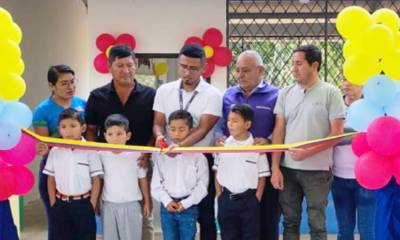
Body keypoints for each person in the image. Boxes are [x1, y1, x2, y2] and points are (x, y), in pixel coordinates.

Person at [270, 45, 346, 240]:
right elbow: (279, 131)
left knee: (317, 223)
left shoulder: (331, 93)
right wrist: (275, 167)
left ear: (314, 65)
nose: (293, 68)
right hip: (287, 169)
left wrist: (308, 152)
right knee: (289, 221)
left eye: (299, 64)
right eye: (292, 63)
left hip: (318, 171)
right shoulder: (285, 93)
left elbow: (336, 134)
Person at [85, 44, 156, 240]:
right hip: (107, 164)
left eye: (130, 65)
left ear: (135, 66)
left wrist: (147, 153)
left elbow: (156, 128)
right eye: (120, 65)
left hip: (140, 162)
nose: (126, 70)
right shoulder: (97, 96)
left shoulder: (151, 95)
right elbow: (90, 130)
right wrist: (98, 155)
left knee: (143, 215)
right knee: (109, 210)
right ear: (109, 67)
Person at [152, 43, 222, 239]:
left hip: (201, 159)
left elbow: (203, 128)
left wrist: (180, 146)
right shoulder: (164, 91)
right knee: (171, 212)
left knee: (206, 216)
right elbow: (158, 123)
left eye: (193, 68)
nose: (187, 72)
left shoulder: (213, 94)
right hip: (168, 158)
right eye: (183, 66)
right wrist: (159, 136)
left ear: (203, 68)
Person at [216, 50, 280, 240]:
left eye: (245, 70)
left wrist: (268, 140)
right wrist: (219, 136)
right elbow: (219, 124)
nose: (240, 75)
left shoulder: (276, 94)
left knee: (267, 222)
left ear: (260, 71)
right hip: (233, 174)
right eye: (237, 70)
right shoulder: (228, 95)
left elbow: (281, 126)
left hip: (264, 168)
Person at [33, 64, 86, 240]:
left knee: (83, 224)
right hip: (54, 173)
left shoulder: (82, 104)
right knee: (58, 224)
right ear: (51, 86)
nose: (70, 87)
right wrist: (41, 147)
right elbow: (45, 145)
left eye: (72, 82)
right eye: (64, 83)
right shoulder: (42, 110)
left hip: (81, 171)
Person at [42, 108, 103, 240]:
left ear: (83, 127)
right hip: (61, 205)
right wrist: (53, 203)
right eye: (63, 127)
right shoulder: (55, 151)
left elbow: (96, 180)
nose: (68, 131)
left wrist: (91, 204)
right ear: (59, 129)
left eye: (73, 126)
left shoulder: (90, 150)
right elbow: (51, 178)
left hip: (84, 204)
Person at [214, 104, 270, 240]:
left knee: (251, 236)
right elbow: (216, 171)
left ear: (247, 124)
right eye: (229, 120)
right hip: (226, 199)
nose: (230, 124)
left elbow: (262, 176)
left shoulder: (256, 146)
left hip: (249, 200)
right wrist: (219, 194)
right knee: (228, 236)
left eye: (235, 121)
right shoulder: (223, 145)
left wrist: (257, 198)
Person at [151, 110, 209, 240]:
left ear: (191, 130)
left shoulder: (198, 157)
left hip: (189, 207)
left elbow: (202, 186)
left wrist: (186, 203)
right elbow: (156, 184)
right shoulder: (162, 156)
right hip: (167, 208)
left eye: (182, 129)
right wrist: (167, 201)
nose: (176, 134)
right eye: (172, 129)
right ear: (167, 129)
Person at [331, 80, 376, 240]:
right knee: (344, 231)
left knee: (367, 230)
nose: (347, 84)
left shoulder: (373, 108)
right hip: (339, 178)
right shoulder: (335, 106)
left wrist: (344, 136)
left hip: (366, 180)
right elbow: (330, 136)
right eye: (344, 79)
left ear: (363, 84)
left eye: (353, 80)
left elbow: (376, 138)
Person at [99, 114, 151, 240]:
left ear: (127, 135)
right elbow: (98, 181)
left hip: (132, 205)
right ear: (105, 136)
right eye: (110, 134)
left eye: (119, 134)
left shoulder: (136, 154)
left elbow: (142, 179)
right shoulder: (100, 155)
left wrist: (147, 201)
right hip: (109, 205)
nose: (114, 138)